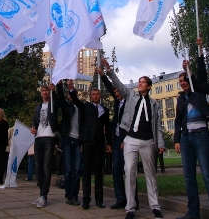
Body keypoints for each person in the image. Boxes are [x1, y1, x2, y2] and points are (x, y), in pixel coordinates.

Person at [110, 72, 165, 219]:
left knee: (150, 173)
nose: (139, 83)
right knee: (129, 172)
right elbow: (118, 84)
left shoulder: (154, 104)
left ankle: (155, 207)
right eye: (139, 81)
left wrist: (160, 143)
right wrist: (109, 71)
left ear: (149, 86)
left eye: (143, 82)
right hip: (131, 139)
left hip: (148, 141)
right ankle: (130, 208)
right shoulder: (131, 96)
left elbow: (158, 126)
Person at [97, 59, 139, 210]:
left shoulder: (130, 101)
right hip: (115, 140)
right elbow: (109, 87)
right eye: (115, 92)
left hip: (126, 139)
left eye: (118, 91)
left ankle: (133, 200)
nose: (116, 93)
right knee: (116, 170)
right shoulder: (117, 102)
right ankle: (121, 198)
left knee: (129, 169)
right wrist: (102, 75)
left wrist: (108, 71)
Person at [174, 52, 209, 219]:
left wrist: (195, 62)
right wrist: (176, 140)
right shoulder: (181, 100)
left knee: (207, 176)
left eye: (184, 80)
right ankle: (193, 213)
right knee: (189, 178)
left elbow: (202, 75)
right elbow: (177, 120)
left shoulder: (199, 92)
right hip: (186, 138)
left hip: (201, 136)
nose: (182, 83)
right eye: (180, 81)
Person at [69, 87, 111, 210]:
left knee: (99, 171)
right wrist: (71, 88)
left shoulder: (105, 110)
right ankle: (86, 199)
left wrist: (108, 142)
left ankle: (99, 199)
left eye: (97, 94)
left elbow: (107, 127)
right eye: (93, 94)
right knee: (86, 171)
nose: (95, 96)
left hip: (99, 142)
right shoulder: (86, 106)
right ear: (91, 96)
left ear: (100, 96)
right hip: (87, 141)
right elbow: (76, 101)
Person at [31, 83, 60, 208]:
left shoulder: (53, 104)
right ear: (40, 92)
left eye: (46, 90)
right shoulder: (38, 107)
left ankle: (44, 195)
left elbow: (59, 100)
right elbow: (34, 120)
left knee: (46, 167)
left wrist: (54, 90)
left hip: (49, 137)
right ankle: (41, 193)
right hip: (38, 138)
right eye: (43, 90)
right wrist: (33, 127)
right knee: (38, 168)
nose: (44, 92)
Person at [56, 79, 81, 206]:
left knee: (76, 170)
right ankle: (68, 195)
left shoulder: (81, 107)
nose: (70, 97)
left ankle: (75, 195)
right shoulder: (66, 106)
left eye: (72, 95)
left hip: (77, 140)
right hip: (67, 139)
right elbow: (60, 97)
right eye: (68, 95)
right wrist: (59, 85)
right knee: (68, 169)